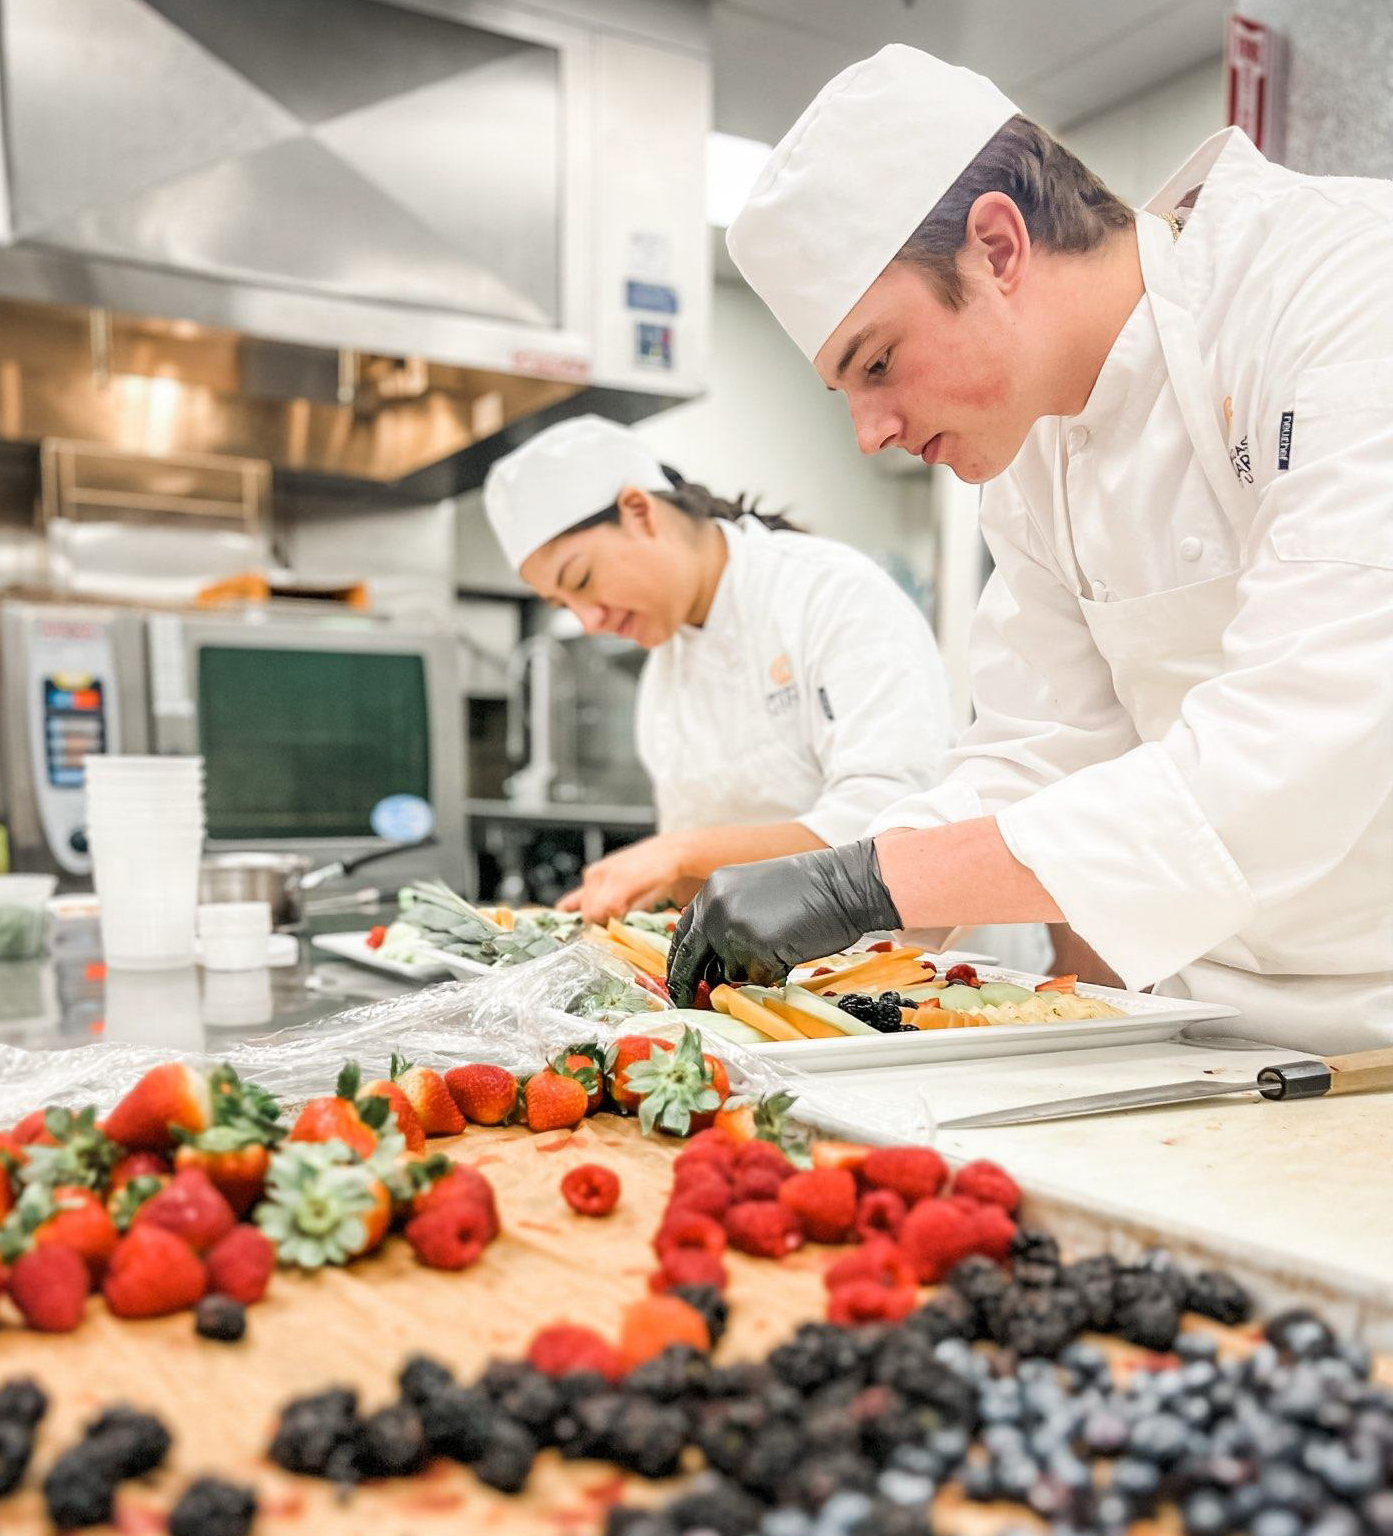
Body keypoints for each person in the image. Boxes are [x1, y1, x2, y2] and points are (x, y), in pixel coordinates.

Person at [667, 45, 1393, 1053]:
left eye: (878, 362)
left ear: (999, 247)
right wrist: (848, 879)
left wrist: (866, 881)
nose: (871, 431)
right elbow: (1036, 752)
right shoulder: (1035, 452)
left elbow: (1313, 731)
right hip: (1214, 1023)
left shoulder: (1344, 283)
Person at [482, 414, 953, 924]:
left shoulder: (831, 593)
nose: (589, 620)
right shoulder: (664, 675)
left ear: (639, 511)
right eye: (563, 605)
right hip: (770, 975)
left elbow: (893, 823)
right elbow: (693, 879)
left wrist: (676, 853)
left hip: (917, 967)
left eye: (582, 579)